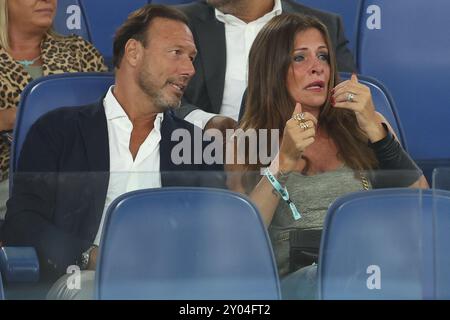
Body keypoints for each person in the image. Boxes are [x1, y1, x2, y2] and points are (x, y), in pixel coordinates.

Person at [1, 4, 223, 299]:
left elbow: (214, 234)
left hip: (172, 285)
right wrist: (88, 256)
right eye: (176, 53)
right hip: (87, 280)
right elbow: (23, 219)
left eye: (192, 58)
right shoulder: (57, 130)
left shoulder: (196, 145)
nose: (189, 70)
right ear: (133, 52)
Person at [226, 13, 428, 299]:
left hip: (369, 268)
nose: (317, 68)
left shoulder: (364, 126)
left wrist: (375, 129)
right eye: (300, 58)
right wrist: (281, 164)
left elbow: (420, 206)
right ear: (272, 68)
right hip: (298, 283)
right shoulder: (248, 138)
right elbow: (241, 237)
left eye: (323, 56)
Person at [175, 0, 356, 132]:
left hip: (301, 151)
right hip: (200, 153)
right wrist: (207, 122)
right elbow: (153, 91)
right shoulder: (175, 23)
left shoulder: (322, 26)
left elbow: (345, 96)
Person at [0, 0, 108, 218]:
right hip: (11, 179)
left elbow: (114, 109)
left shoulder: (78, 50)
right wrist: (12, 118)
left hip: (82, 176)